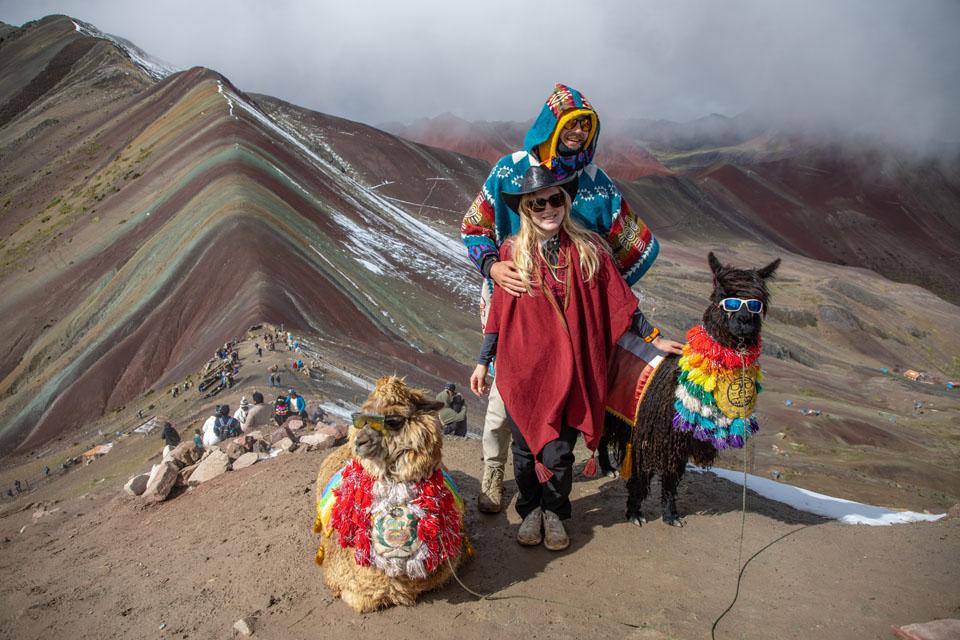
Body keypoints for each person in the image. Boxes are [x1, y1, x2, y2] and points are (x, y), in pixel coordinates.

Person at [461, 83, 676, 514]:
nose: (578, 132)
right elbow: (474, 226)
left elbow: (630, 243)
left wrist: (599, 295)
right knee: (511, 391)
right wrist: (493, 267)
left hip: (573, 302)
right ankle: (493, 465)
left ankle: (553, 477)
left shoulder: (596, 182)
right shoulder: (510, 170)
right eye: (570, 124)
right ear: (549, 125)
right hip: (516, 296)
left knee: (567, 381)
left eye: (586, 125)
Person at [469, 166, 669, 551]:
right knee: (526, 453)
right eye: (538, 203)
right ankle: (530, 509)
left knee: (559, 452)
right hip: (523, 373)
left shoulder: (589, 251)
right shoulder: (511, 254)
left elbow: (620, 305)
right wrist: (482, 362)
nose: (548, 208)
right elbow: (498, 317)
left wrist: (654, 338)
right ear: (526, 209)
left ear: (566, 202)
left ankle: (555, 512)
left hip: (572, 372)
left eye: (555, 200)